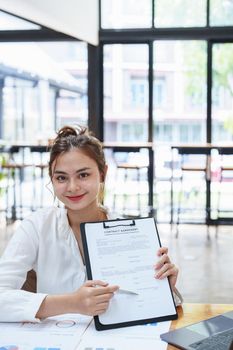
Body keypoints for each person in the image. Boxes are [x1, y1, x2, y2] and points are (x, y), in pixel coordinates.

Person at [0, 125, 180, 322]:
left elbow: (148, 305)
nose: (73, 187)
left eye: (83, 175)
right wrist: (72, 303)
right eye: (61, 177)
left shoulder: (131, 232)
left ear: (103, 173)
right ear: (51, 179)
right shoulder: (37, 226)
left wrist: (164, 287)